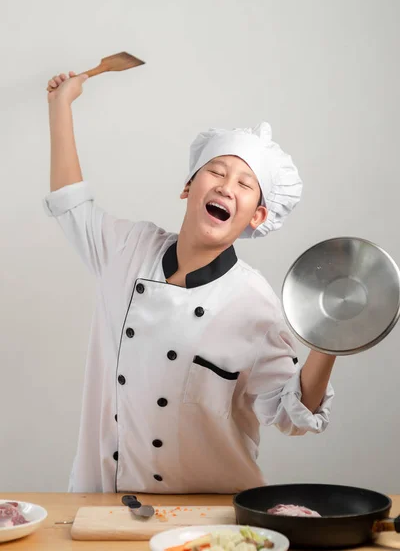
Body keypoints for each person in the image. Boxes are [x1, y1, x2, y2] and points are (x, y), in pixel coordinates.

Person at [44, 71, 335, 494]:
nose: (226, 186)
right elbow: (72, 203)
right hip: (99, 500)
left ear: (257, 216)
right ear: (188, 186)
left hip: (207, 515)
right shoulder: (127, 248)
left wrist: (331, 339)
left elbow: (293, 414)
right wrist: (60, 105)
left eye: (244, 183)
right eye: (215, 172)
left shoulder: (254, 304)